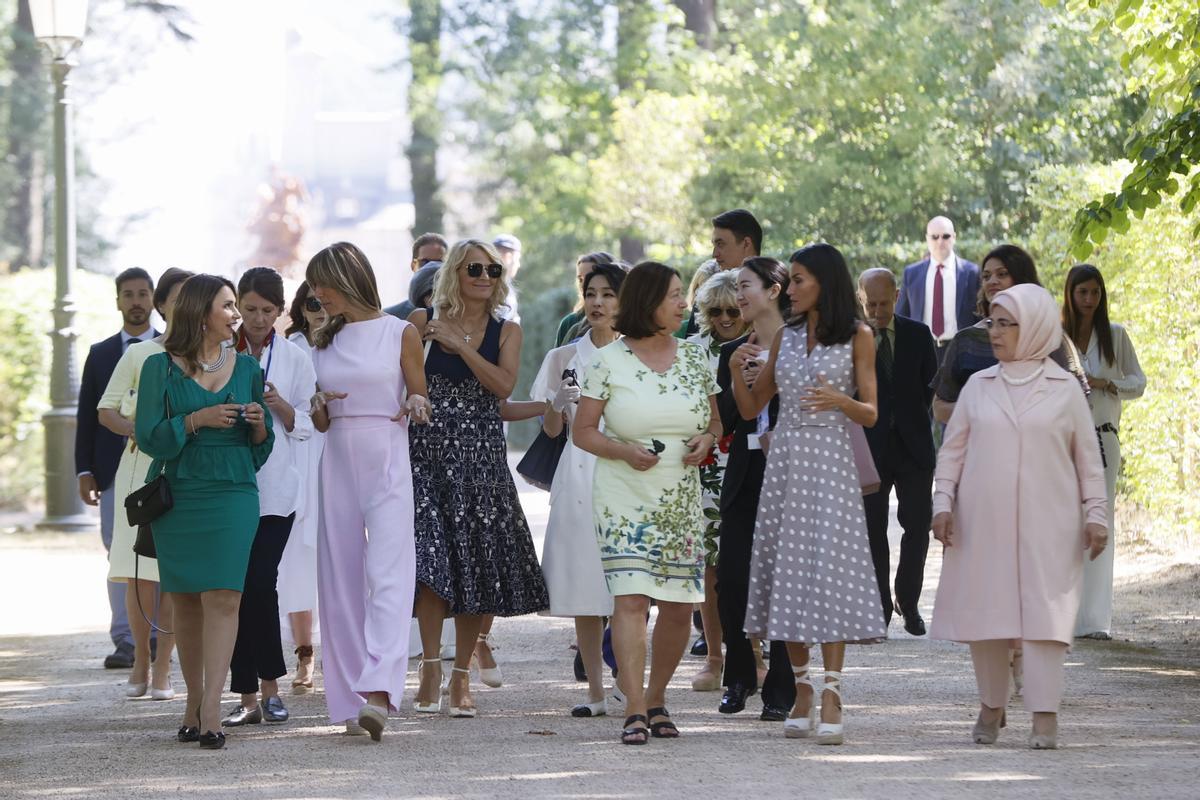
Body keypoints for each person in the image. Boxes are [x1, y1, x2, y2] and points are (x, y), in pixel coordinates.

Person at [931, 284, 1108, 750]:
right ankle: (992, 705)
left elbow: (1089, 461)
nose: (996, 332)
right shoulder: (977, 386)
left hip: (1050, 525)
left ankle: (1045, 715)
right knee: (988, 617)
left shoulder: (1066, 388)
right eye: (993, 321)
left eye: (1008, 323)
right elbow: (953, 453)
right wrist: (943, 504)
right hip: (981, 523)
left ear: (1035, 328)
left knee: (1046, 621)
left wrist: (1097, 517)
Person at [730, 243, 883, 746]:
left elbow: (871, 412)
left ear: (824, 282)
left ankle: (833, 692)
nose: (790, 289)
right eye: (790, 281)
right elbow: (754, 407)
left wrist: (842, 401)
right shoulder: (787, 338)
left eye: (798, 280)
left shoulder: (859, 336)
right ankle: (801, 689)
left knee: (830, 570)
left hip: (833, 460)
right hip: (788, 462)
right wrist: (736, 373)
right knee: (787, 569)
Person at [574, 261, 721, 745]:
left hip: (681, 496)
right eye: (675, 295)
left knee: (679, 607)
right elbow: (584, 432)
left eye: (683, 295)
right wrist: (622, 450)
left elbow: (715, 425)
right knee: (632, 599)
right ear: (648, 302)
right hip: (623, 496)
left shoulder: (698, 358)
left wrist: (707, 440)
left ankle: (657, 698)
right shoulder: (607, 361)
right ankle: (633, 707)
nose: (684, 303)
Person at [409, 239, 548, 719]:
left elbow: (503, 386)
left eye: (492, 269)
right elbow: (404, 383)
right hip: (426, 452)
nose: (485, 276)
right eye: (474, 268)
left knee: (477, 564)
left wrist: (461, 345)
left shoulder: (507, 328)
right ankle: (429, 666)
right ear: (454, 271)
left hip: (481, 457)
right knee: (431, 563)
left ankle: (461, 676)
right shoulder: (420, 322)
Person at [135, 274, 274, 750]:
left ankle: (213, 705)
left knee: (226, 596)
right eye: (229, 306)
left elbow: (262, 447)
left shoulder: (248, 367)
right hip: (182, 492)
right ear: (199, 312)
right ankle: (193, 700)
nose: (237, 315)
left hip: (235, 490)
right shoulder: (160, 368)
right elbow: (150, 436)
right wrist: (196, 420)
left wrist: (257, 425)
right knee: (188, 599)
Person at [307, 242, 431, 740]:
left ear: (348, 278)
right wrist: (317, 403)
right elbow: (316, 421)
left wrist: (418, 404)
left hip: (386, 450)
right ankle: (349, 699)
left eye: (323, 285)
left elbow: (418, 392)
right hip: (336, 453)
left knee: (390, 572)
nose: (316, 296)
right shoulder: (319, 339)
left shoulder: (400, 332)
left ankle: (380, 690)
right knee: (338, 581)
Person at [220, 268, 316, 728]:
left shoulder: (295, 357)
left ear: (280, 311)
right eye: (250, 309)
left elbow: (310, 425)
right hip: (228, 488)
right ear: (238, 306)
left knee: (260, 583)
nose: (257, 319)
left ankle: (271, 688)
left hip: (277, 489)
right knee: (233, 590)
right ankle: (246, 695)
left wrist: (278, 405)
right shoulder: (219, 350)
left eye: (267, 311)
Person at [531, 261, 628, 716]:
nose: (597, 303)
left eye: (608, 294)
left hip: (625, 471)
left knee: (630, 584)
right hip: (577, 471)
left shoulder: (637, 355)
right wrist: (558, 403)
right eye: (591, 293)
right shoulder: (563, 357)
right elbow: (550, 430)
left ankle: (630, 683)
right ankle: (594, 690)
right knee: (584, 586)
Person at [96, 269, 192, 697]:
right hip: (139, 471)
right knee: (139, 573)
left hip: (188, 471)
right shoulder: (139, 354)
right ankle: (139, 659)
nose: (185, 305)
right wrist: (138, 429)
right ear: (163, 305)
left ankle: (164, 669)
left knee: (173, 572)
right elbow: (106, 409)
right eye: (177, 298)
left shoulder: (212, 354)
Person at [715, 257, 796, 721]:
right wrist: (733, 374)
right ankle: (740, 674)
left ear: (775, 289)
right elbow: (736, 417)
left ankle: (782, 688)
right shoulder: (735, 350)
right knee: (732, 580)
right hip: (745, 474)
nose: (739, 298)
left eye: (746, 287)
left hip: (789, 472)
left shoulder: (802, 344)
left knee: (785, 580)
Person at [79, 268, 158, 673]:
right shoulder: (102, 352)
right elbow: (87, 416)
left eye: (143, 293)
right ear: (118, 301)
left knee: (159, 551)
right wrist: (83, 471)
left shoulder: (169, 350)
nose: (136, 301)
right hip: (112, 471)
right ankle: (125, 639)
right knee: (119, 555)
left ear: (154, 300)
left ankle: (156, 634)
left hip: (160, 467)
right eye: (128, 294)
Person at [1062, 264, 1145, 639]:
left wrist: (1106, 383)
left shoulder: (1115, 335)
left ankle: (1095, 620)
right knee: (1064, 523)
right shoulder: (1057, 336)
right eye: (1082, 293)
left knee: (1099, 521)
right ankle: (1063, 613)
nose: (1089, 300)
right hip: (1061, 440)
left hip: (1103, 436)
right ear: (1071, 294)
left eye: (1095, 292)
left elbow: (1138, 382)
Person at [857, 268, 938, 635]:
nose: (878, 311)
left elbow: (929, 390)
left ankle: (909, 600)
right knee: (873, 531)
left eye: (884, 303)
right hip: (870, 448)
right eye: (871, 304)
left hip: (913, 447)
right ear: (861, 299)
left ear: (898, 296)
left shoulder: (919, 335)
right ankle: (880, 610)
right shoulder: (851, 339)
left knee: (917, 525)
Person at [933, 245, 1088, 424]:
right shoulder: (966, 341)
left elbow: (1079, 400)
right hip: (978, 449)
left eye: (1002, 274)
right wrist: (982, 411)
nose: (992, 281)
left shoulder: (1049, 336)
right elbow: (939, 408)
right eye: (986, 276)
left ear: (1021, 278)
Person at [685, 269, 748, 692]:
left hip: (747, 464)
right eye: (715, 311)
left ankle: (755, 654)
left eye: (733, 310)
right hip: (702, 468)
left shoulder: (761, 347)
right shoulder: (688, 352)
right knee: (708, 565)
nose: (725, 318)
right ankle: (713, 655)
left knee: (745, 564)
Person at [278, 281, 327, 692]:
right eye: (313, 302)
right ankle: (303, 652)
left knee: (339, 553)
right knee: (296, 557)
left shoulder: (349, 343)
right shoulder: (290, 347)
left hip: (340, 453)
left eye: (328, 301)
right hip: (299, 456)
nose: (320, 309)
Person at [895, 216, 980, 362]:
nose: (940, 241)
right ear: (927, 239)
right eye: (935, 237)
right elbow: (901, 317)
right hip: (922, 350)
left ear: (954, 237)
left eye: (945, 236)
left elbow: (979, 316)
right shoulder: (912, 273)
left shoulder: (971, 272)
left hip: (961, 351)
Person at [556, 252, 616, 347]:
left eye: (590, 277)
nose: (584, 284)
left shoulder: (628, 322)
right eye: (580, 279)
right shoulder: (569, 323)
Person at [493, 233, 522, 322]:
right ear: (508, 257)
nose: (519, 265)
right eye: (518, 259)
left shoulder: (505, 285)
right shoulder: (494, 287)